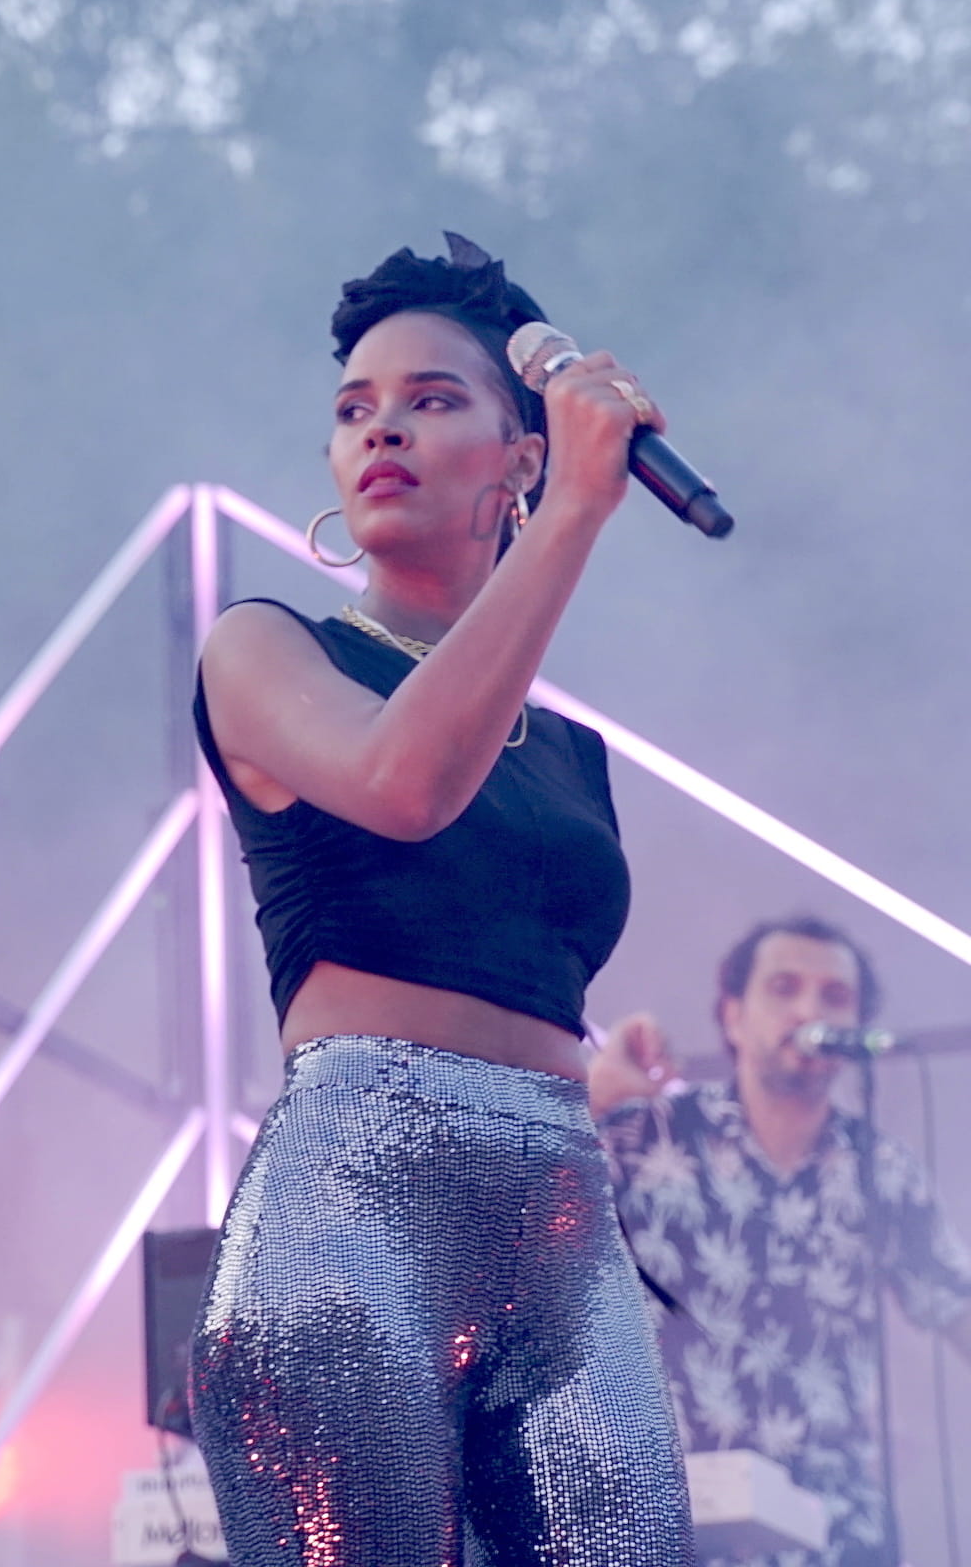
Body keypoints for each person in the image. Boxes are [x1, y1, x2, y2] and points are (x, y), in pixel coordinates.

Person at [187, 233, 698, 1567]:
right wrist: (577, 515)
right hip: (355, 1209)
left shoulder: (571, 754)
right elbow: (401, 783)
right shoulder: (265, 647)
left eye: (430, 398)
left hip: (564, 1225)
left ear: (519, 454)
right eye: (354, 408)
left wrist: (604, 1086)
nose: (382, 429)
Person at [590, 914, 971, 1567]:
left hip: (837, 1534)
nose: (809, 1009)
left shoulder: (881, 1171)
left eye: (835, 996)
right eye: (783, 987)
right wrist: (591, 1100)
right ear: (732, 1015)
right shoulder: (649, 1138)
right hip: (672, 1526)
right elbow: (516, 1232)